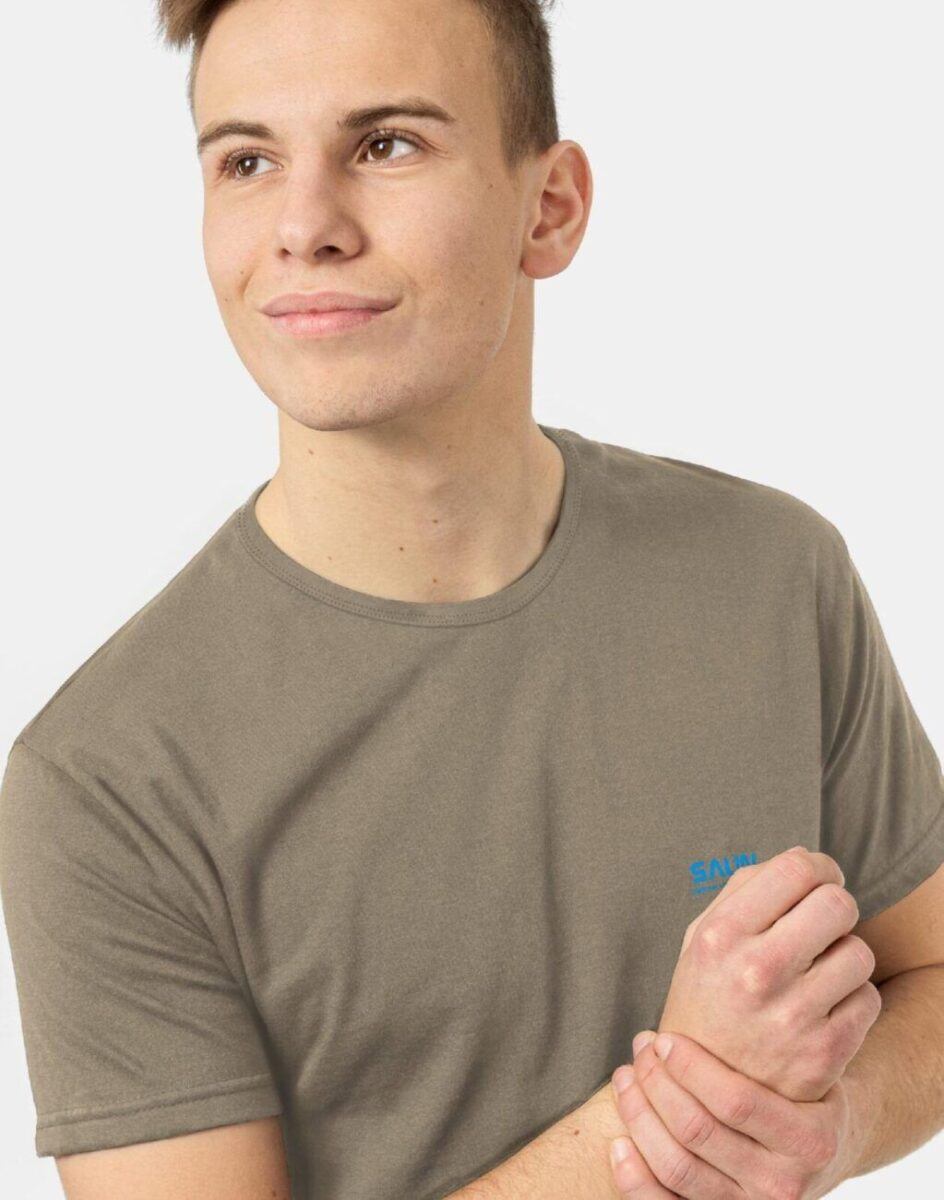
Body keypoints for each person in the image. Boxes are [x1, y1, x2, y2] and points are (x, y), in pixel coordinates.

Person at [2, 1, 942, 1198]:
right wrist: (676, 1117)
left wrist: (832, 1126)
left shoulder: (773, 575)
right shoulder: (107, 781)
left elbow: (931, 978)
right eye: (246, 161)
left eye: (385, 144)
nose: (303, 226)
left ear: (548, 208)